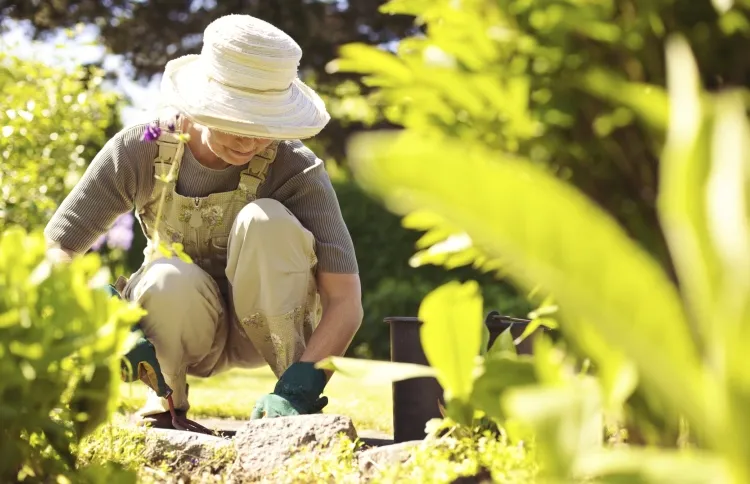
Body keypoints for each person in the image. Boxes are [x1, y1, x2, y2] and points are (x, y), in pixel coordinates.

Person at [44, 14, 363, 428]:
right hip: (176, 325)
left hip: (267, 328)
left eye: (264, 124)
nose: (250, 140)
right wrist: (99, 309)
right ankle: (167, 402)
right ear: (201, 103)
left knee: (266, 221)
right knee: (165, 277)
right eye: (237, 120)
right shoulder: (142, 149)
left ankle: (288, 407)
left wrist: (306, 381)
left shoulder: (294, 168)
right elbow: (56, 251)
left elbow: (345, 300)